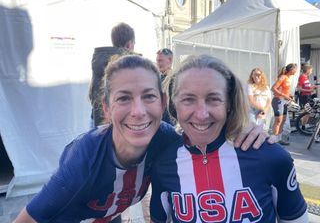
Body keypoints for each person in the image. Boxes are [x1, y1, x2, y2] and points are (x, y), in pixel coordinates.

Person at [14, 55, 270, 223]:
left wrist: (243, 129)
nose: (138, 111)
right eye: (124, 98)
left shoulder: (165, 139)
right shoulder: (85, 157)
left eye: (148, 96)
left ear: (163, 102)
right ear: (106, 108)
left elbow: (204, 134)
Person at [150, 55, 308, 222]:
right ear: (174, 105)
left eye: (214, 99)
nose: (202, 114)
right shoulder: (163, 164)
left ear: (229, 104)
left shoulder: (272, 157)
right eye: (188, 99)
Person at [89, 22, 135, 127]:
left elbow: (92, 95)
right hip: (119, 125)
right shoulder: (128, 64)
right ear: (129, 44)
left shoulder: (99, 60)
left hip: (97, 122)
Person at [271, 63, 298, 145]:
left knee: (283, 120)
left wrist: (289, 95)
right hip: (278, 100)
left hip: (284, 101)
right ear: (291, 70)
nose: (296, 71)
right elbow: (273, 88)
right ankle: (274, 141)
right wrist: (284, 95)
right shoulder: (283, 77)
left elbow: (283, 89)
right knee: (278, 121)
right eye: (295, 69)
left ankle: (279, 139)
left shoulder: (288, 78)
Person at [156, 48, 174, 125]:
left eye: (160, 60)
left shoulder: (175, 78)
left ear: (170, 60)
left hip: (170, 122)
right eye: (157, 61)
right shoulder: (157, 78)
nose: (158, 63)